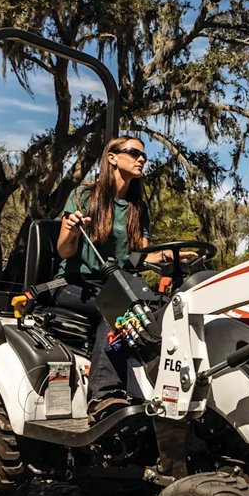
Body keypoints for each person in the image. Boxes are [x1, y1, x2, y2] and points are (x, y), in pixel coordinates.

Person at [54, 135, 172, 420]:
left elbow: (142, 256)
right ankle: (105, 395)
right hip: (75, 285)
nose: (141, 159)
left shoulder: (137, 208)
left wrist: (171, 257)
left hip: (120, 286)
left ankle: (162, 390)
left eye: (144, 155)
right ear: (112, 158)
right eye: (134, 153)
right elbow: (64, 250)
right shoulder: (84, 196)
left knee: (168, 310)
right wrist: (71, 229)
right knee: (116, 308)